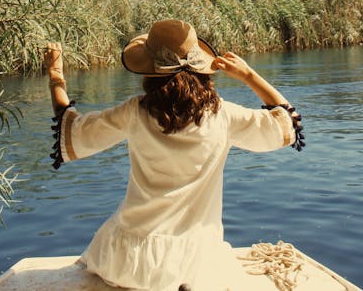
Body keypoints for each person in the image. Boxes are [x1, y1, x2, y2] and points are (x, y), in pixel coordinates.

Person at [44, 19, 304, 291]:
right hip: (199, 265)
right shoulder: (224, 116)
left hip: (132, 262)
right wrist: (249, 75)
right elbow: (287, 123)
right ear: (201, 68)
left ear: (150, 72)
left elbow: (72, 129)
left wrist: (55, 75)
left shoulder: (134, 112)